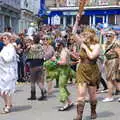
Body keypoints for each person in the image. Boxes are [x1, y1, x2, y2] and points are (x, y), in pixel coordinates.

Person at [73, 14, 100, 120]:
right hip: (82, 69)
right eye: (83, 34)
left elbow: (92, 56)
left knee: (92, 95)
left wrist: (85, 47)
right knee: (81, 93)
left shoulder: (96, 45)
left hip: (92, 70)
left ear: (91, 35)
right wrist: (76, 21)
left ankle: (93, 111)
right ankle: (79, 115)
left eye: (85, 34)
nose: (83, 35)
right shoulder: (82, 42)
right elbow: (73, 33)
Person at [52, 40, 74, 111]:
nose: (57, 48)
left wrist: (55, 60)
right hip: (66, 70)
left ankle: (65, 104)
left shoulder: (64, 51)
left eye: (58, 46)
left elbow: (64, 62)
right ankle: (69, 102)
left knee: (61, 86)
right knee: (63, 86)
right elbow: (71, 55)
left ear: (61, 45)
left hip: (64, 71)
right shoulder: (65, 50)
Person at [0, 33, 18, 113]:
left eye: (5, 38)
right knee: (2, 89)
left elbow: (9, 59)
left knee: (7, 89)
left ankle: (7, 106)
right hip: (3, 71)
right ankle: (8, 104)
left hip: (9, 71)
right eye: (3, 38)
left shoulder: (11, 48)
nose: (4, 40)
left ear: (10, 39)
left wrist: (1, 57)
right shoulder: (5, 47)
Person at [27, 35, 47, 101]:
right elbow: (44, 55)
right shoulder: (41, 47)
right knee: (39, 80)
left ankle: (33, 95)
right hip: (40, 64)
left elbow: (26, 53)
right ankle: (43, 92)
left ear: (33, 40)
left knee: (32, 81)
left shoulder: (31, 47)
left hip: (33, 65)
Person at [102, 31, 120, 102]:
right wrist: (104, 63)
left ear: (113, 36)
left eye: (110, 35)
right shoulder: (107, 43)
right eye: (107, 35)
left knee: (112, 79)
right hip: (108, 62)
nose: (108, 37)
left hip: (114, 61)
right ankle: (109, 96)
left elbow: (119, 54)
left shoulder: (115, 43)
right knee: (110, 79)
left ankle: (110, 96)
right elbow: (106, 54)